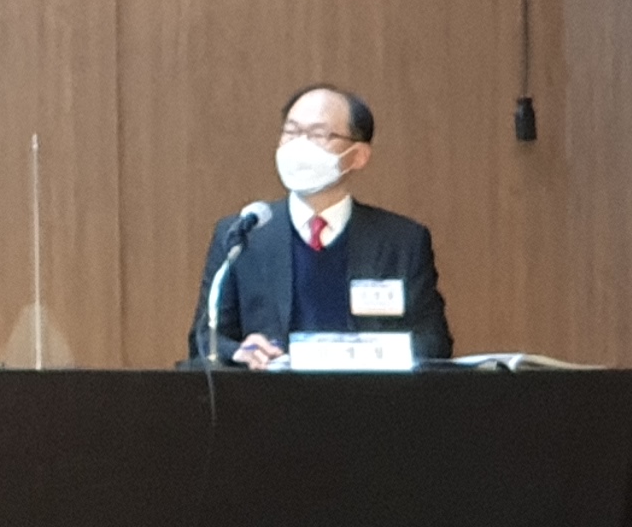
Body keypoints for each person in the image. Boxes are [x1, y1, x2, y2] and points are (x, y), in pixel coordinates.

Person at [189, 86, 453, 368]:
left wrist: (371, 353)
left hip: (368, 393)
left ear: (358, 155)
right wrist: (239, 351)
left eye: (318, 135)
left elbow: (434, 343)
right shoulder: (243, 234)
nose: (299, 146)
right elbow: (205, 338)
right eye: (291, 132)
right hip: (270, 393)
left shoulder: (401, 241)